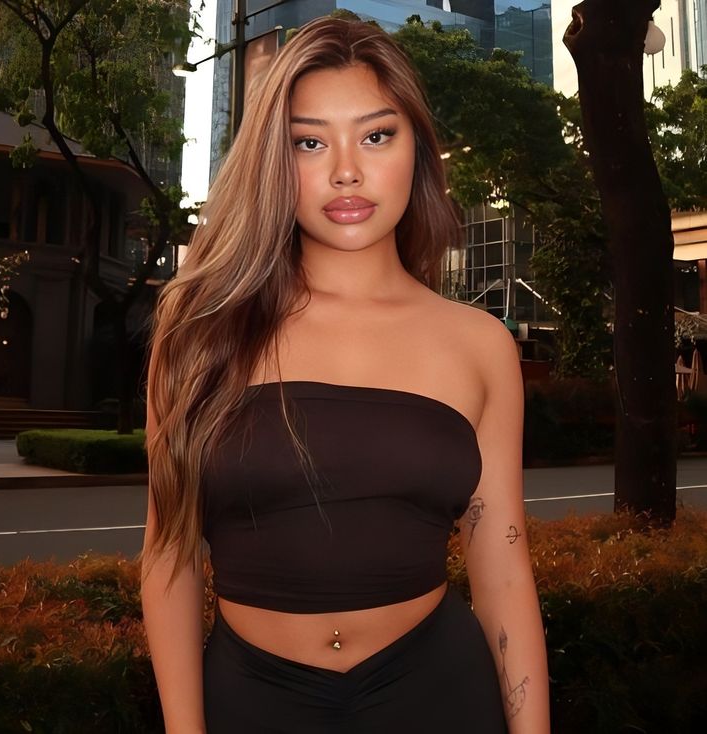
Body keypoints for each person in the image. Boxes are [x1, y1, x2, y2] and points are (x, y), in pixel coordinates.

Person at [141, 16, 549, 734]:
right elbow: (169, 561)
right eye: (308, 142)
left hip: (439, 695)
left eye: (376, 135)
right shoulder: (198, 328)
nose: (345, 171)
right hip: (252, 702)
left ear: (416, 147)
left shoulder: (479, 343)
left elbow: (504, 572)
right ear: (275, 159)